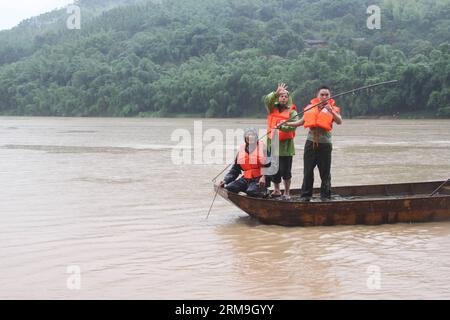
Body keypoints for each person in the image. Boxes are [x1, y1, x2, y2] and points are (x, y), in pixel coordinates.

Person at [285, 85, 342, 201]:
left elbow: (339, 121)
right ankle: (306, 196)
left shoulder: (332, 109)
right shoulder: (310, 108)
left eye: (327, 95)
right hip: (310, 143)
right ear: (317, 96)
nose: (324, 97)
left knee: (325, 173)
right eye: (322, 94)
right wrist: (285, 124)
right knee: (308, 171)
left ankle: (325, 196)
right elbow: (300, 122)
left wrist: (330, 110)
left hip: (325, 145)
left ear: (330, 96)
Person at [264, 83, 298, 200]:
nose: (283, 98)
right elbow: (267, 100)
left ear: (288, 99)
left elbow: (293, 127)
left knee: (286, 171)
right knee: (274, 170)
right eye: (281, 96)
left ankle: (287, 192)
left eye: (285, 96)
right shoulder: (271, 108)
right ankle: (277, 189)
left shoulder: (292, 112)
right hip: (273, 144)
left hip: (286, 146)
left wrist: (281, 127)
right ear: (278, 98)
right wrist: (275, 92)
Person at [219, 128, 268, 198]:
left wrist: (264, 177)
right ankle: (248, 190)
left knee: (252, 191)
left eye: (252, 136)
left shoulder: (263, 149)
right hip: (246, 179)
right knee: (230, 188)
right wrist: (225, 180)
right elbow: (235, 170)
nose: (250, 138)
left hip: (260, 178)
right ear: (245, 138)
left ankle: (265, 191)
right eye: (248, 136)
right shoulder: (241, 151)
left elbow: (272, 166)